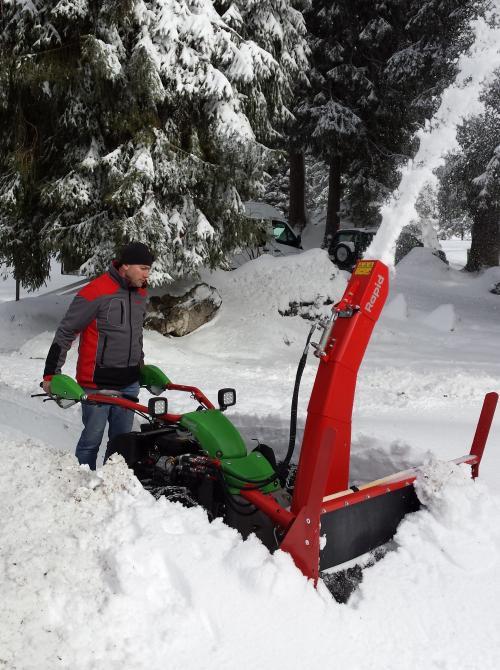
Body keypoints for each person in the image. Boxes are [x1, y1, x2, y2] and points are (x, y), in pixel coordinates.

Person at [42, 242, 154, 469]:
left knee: (121, 443)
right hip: (97, 383)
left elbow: (135, 334)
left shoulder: (140, 293)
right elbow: (66, 331)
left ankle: (113, 486)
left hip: (129, 383)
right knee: (91, 441)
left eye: (149, 269)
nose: (147, 274)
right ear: (125, 267)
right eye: (143, 268)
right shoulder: (96, 291)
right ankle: (83, 484)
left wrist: (140, 367)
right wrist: (51, 374)